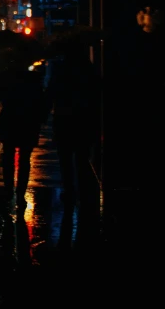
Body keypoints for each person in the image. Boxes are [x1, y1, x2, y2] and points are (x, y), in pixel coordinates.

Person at [45, 40, 101, 211]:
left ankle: (69, 191)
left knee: (65, 158)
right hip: (84, 118)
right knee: (82, 158)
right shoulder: (88, 68)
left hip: (64, 118)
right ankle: (83, 191)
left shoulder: (60, 69)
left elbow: (51, 92)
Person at [0, 48, 47, 208]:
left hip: (10, 119)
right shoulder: (33, 77)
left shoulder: (4, 77)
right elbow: (40, 99)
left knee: (8, 156)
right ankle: (20, 194)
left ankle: (8, 191)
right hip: (28, 120)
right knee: (24, 159)